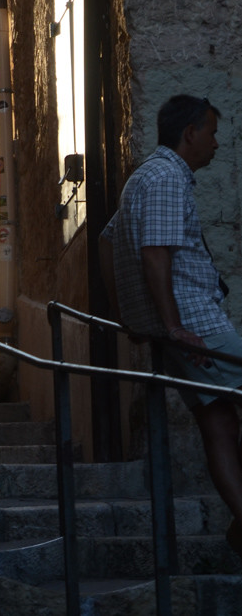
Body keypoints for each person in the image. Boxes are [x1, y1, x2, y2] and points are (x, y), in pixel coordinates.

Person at [100, 94, 242, 555]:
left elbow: (108, 241)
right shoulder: (165, 178)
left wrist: (130, 315)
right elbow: (154, 252)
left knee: (217, 422)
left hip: (179, 324)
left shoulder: (148, 177)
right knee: (218, 419)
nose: (217, 144)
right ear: (190, 134)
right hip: (196, 323)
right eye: (212, 132)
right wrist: (172, 324)